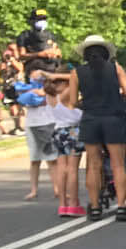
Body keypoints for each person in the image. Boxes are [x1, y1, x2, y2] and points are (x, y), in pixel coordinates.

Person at [74, 35, 126, 223]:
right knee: (118, 164)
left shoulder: (77, 73)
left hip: (90, 119)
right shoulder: (116, 69)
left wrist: (86, 104)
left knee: (93, 164)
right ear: (106, 53)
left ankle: (94, 207)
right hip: (113, 118)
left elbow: (71, 101)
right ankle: (121, 207)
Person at [15, 59, 60, 201]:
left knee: (52, 159)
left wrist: (44, 83)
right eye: (32, 73)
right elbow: (21, 97)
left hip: (48, 123)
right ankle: (34, 190)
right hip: (32, 124)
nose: (34, 76)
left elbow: (51, 97)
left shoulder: (50, 88)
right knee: (35, 159)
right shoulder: (27, 88)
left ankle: (57, 188)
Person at [47, 65, 85, 216]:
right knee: (72, 169)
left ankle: (63, 204)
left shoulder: (51, 95)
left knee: (61, 168)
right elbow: (77, 77)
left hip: (57, 131)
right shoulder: (66, 94)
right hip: (73, 131)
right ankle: (74, 203)